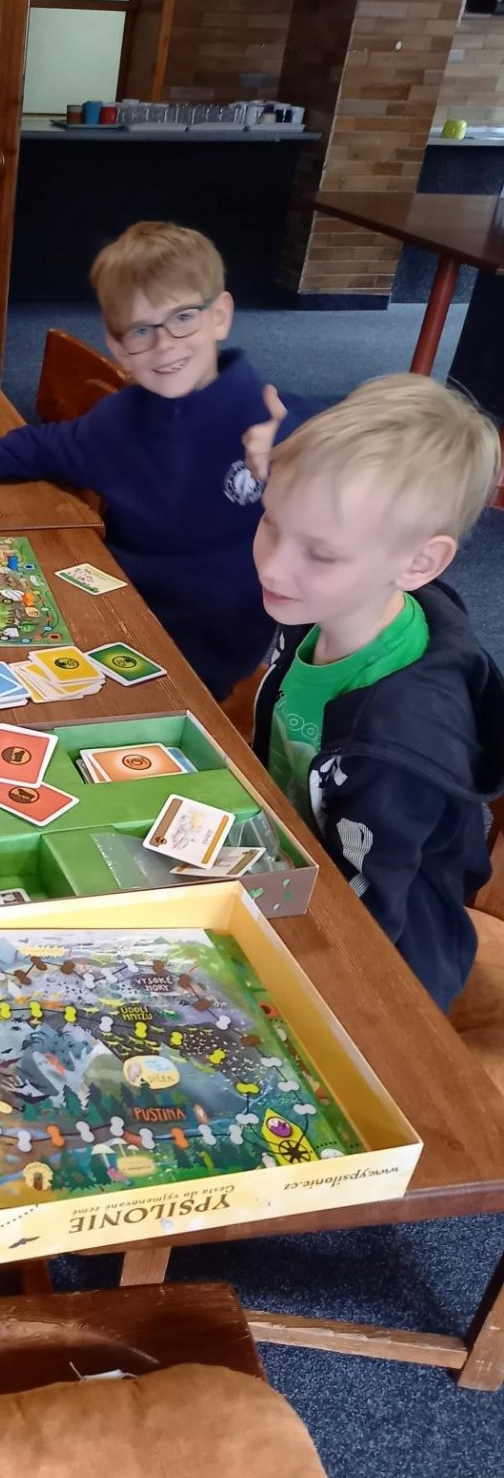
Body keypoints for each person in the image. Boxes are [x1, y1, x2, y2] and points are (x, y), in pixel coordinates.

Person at [0, 222, 318, 701]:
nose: (164, 344)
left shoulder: (273, 420)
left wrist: (298, 439)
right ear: (118, 347)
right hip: (112, 615)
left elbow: (361, 442)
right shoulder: (117, 420)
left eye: (182, 318)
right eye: (141, 330)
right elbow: (42, 445)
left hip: (208, 657)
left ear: (219, 316)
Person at [248, 373, 504, 1011]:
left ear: (418, 564)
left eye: (321, 553)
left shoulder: (400, 742)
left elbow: (370, 923)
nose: (273, 564)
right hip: (288, 860)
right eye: (270, 520)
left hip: (391, 965)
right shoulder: (324, 606)